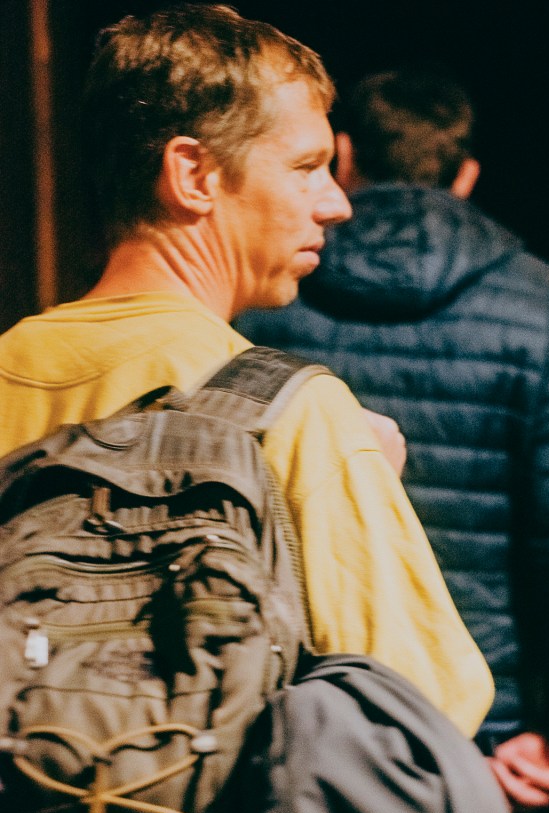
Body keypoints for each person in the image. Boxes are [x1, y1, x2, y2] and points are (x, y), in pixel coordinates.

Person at [236, 67, 549, 813]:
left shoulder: (271, 289)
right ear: (465, 175)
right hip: (479, 725)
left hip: (302, 716)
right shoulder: (537, 300)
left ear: (344, 161)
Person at [0, 14, 493, 738]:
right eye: (305, 167)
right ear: (194, 175)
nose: (336, 202)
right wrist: (364, 480)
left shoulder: (9, 369)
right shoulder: (297, 414)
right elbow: (428, 711)